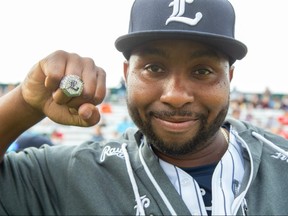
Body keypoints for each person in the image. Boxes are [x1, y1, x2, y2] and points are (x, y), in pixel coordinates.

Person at [0, 0, 288, 215]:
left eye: (202, 71)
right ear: (126, 74)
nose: (176, 96)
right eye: (153, 67)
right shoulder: (72, 176)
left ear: (230, 78)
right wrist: (24, 103)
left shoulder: (281, 166)